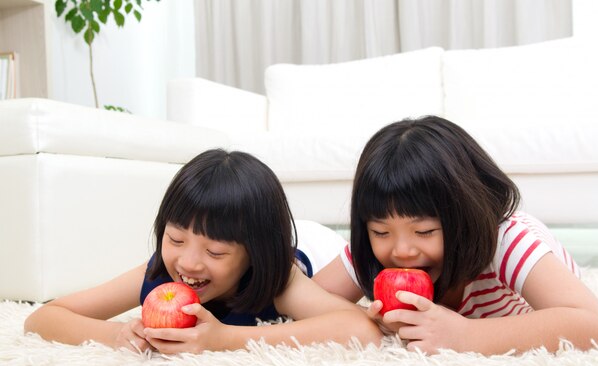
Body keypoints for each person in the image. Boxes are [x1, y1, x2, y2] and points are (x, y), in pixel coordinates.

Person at [25, 149, 382, 354]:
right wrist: (116, 335)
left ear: (253, 255)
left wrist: (224, 340)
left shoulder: (278, 279)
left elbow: (363, 330)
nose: (189, 263)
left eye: (215, 252)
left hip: (313, 243)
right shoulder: (160, 275)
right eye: (176, 240)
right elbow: (41, 318)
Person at [313, 116, 598, 355]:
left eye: (424, 231)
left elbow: (597, 326)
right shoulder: (375, 248)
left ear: (464, 216)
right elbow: (310, 298)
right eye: (381, 231)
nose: (402, 250)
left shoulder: (507, 241)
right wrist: (367, 318)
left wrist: (465, 336)